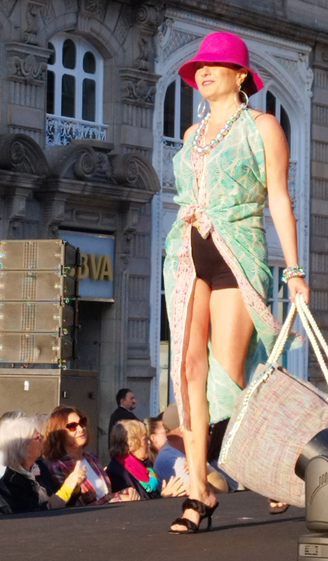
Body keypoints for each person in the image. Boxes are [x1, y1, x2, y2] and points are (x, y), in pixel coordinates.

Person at [163, 32, 311, 533]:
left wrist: (294, 270)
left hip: (238, 251)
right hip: (187, 250)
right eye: (198, 67)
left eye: (214, 65)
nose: (203, 72)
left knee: (230, 372)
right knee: (188, 367)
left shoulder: (263, 126)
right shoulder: (192, 134)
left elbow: (279, 198)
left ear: (241, 74)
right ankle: (199, 489)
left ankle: (271, 460)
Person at [43, 405, 137, 505]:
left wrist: (126, 492)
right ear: (59, 434)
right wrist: (118, 498)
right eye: (72, 426)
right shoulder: (58, 467)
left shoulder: (91, 457)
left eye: (82, 422)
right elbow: (78, 507)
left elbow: (105, 494)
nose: (80, 429)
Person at [0, 416, 86, 512]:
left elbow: (62, 505)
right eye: (37, 437)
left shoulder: (39, 467)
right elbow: (36, 515)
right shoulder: (12, 482)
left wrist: (74, 487)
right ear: (23, 447)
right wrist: (67, 488)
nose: (42, 439)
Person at [107, 419, 187, 500]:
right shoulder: (118, 473)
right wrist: (165, 496)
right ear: (131, 443)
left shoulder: (145, 464)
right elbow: (141, 504)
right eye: (144, 438)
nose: (148, 442)